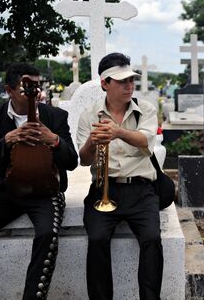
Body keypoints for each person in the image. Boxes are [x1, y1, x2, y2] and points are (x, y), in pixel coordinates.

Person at [0, 63, 78, 300]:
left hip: (45, 191)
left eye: (37, 87)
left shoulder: (56, 116)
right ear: (9, 90)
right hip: (6, 192)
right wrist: (8, 139)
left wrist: (54, 139)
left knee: (47, 234)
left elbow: (72, 161)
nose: (35, 93)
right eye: (27, 87)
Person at [77, 53, 162, 300]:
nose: (129, 86)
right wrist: (92, 142)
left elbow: (146, 141)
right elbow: (84, 160)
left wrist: (118, 132)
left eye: (131, 80)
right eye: (122, 81)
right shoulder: (89, 115)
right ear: (105, 83)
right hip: (104, 187)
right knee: (97, 239)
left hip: (141, 190)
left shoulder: (144, 109)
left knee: (152, 240)